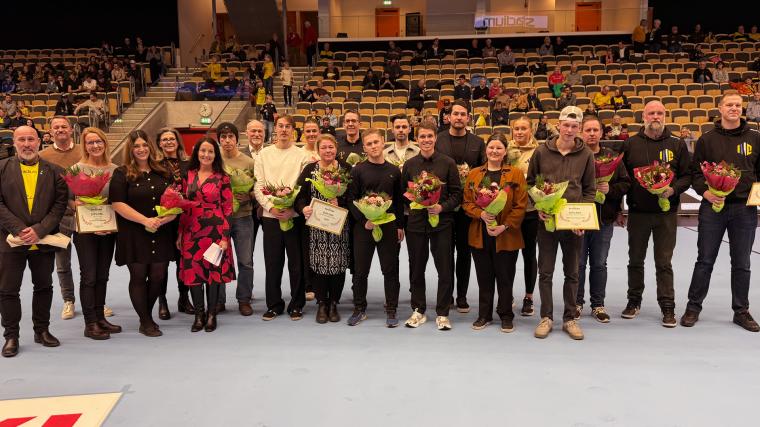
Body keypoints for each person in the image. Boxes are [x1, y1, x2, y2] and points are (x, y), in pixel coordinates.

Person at [681, 91, 760, 332]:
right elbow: (696, 173)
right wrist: (705, 192)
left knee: (742, 262)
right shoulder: (706, 139)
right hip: (712, 209)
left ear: (742, 109)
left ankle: (741, 311)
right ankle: (693, 307)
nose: (734, 108)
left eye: (738, 105)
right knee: (704, 260)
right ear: (720, 108)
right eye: (729, 105)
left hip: (744, 209)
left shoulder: (756, 138)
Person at [527, 106, 596, 340]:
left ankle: (569, 319)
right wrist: (538, 207)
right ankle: (546, 317)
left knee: (572, 272)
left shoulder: (586, 154)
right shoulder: (540, 151)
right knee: (545, 271)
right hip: (547, 222)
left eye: (574, 126)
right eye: (566, 125)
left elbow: (589, 189)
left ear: (579, 128)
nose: (569, 130)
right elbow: (530, 184)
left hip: (573, 223)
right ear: (558, 125)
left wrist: (583, 218)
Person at [621, 101, 691, 327]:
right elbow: (624, 179)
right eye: (651, 113)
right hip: (638, 213)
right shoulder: (630, 144)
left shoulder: (677, 144)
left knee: (664, 262)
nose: (655, 116)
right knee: (635, 261)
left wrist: (672, 189)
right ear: (644, 116)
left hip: (666, 214)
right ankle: (633, 301)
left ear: (665, 116)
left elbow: (687, 176)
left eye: (659, 113)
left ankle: (668, 306)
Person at [0, 126, 68, 358]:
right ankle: (11, 335)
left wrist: (39, 230)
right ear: (15, 142)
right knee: (8, 290)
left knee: (44, 286)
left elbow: (59, 206)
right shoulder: (1, 168)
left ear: (39, 142)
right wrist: (20, 229)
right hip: (10, 241)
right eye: (22, 139)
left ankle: (42, 330)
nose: (27, 144)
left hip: (43, 240)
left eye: (31, 139)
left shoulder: (55, 171)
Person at [110, 130, 177, 337]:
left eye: (144, 145)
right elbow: (118, 203)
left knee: (158, 275)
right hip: (134, 231)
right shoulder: (121, 173)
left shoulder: (163, 171)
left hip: (161, 230)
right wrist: (145, 220)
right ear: (130, 149)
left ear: (150, 146)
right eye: (136, 146)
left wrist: (169, 216)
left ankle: (145, 314)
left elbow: (174, 201)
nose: (141, 149)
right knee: (139, 276)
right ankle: (146, 320)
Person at [464, 132, 527, 332]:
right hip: (480, 234)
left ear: (505, 151)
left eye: (499, 148)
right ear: (486, 150)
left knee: (505, 276)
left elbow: (520, 205)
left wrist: (504, 226)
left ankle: (506, 314)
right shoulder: (474, 173)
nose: (494, 151)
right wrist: (481, 214)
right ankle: (484, 314)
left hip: (506, 235)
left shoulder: (515, 174)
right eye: (491, 147)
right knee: (484, 277)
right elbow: (466, 202)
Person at [401, 123, 461, 330]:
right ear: (416, 139)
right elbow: (404, 195)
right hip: (416, 224)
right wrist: (416, 204)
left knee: (445, 268)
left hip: (442, 224)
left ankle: (443, 312)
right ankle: (418, 309)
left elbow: (456, 194)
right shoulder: (409, 165)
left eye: (429, 136)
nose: (426, 140)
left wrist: (441, 207)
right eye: (422, 136)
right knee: (416, 268)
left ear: (435, 138)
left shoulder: (448, 163)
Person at [253, 115, 311, 321]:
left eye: (288, 127)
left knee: (296, 264)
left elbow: (304, 188)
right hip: (271, 218)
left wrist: (293, 210)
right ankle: (274, 304)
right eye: (280, 126)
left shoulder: (302, 155)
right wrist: (270, 207)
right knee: (273, 263)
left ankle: (297, 304)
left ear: (293, 130)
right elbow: (258, 185)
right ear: (275, 129)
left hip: (294, 217)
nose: (284, 130)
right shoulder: (263, 155)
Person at [346, 129, 405, 327]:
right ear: (364, 148)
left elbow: (397, 201)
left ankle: (391, 309)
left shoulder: (394, 171)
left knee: (390, 270)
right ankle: (359, 308)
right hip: (364, 228)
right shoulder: (358, 170)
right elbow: (351, 200)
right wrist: (364, 222)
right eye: (369, 144)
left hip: (388, 227)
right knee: (360, 271)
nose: (373, 146)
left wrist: (399, 225)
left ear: (383, 144)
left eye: (376, 142)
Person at [575, 116, 631, 323]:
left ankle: (598, 304)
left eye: (595, 130)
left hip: (604, 219)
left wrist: (610, 189)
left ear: (601, 133)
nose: (591, 134)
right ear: (581, 132)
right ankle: (577, 303)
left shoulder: (612, 156)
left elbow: (626, 183)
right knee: (578, 264)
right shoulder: (574, 156)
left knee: (599, 263)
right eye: (587, 130)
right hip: (578, 218)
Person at [178, 138, 235, 333]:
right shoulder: (188, 174)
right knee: (194, 273)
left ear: (215, 155)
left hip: (215, 231)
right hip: (191, 230)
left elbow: (228, 209)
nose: (206, 155)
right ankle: (198, 315)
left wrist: (225, 237)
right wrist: (180, 234)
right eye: (203, 151)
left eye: (210, 151)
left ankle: (211, 314)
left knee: (213, 274)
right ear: (197, 153)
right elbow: (183, 206)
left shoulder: (223, 177)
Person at [294, 134, 352, 323]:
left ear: (336, 148)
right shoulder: (310, 170)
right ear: (317, 150)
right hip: (316, 227)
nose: (328, 151)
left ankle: (334, 302)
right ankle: (321, 302)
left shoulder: (346, 169)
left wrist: (341, 201)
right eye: (324, 148)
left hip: (339, 226)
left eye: (331, 147)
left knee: (338, 264)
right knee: (319, 264)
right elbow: (299, 195)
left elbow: (354, 196)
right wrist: (303, 208)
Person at [435, 100, 486, 312]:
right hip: (444, 206)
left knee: (465, 253)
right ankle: (447, 296)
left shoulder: (477, 142)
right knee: (445, 253)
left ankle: (462, 296)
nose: (458, 117)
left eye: (462, 114)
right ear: (448, 117)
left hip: (468, 207)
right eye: (455, 113)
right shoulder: (438, 140)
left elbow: (483, 171)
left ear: (468, 118)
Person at [71, 128, 121, 340]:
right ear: (85, 146)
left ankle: (100, 317)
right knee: (89, 276)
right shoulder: (76, 168)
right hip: (85, 231)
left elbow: (118, 199)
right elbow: (66, 200)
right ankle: (90, 323)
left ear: (105, 143)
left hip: (108, 229)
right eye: (90, 143)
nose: (95, 146)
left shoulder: (115, 169)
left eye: (98, 141)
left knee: (103, 275)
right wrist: (77, 204)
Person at [38, 117, 81, 320]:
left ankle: (97, 300)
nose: (60, 129)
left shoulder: (84, 150)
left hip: (85, 216)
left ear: (71, 130)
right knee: (62, 263)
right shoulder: (42, 156)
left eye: (64, 126)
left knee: (90, 262)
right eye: (56, 127)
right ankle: (68, 300)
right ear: (50, 132)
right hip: (59, 218)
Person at [217, 123, 257, 316]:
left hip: (243, 217)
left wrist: (248, 196)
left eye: (230, 136)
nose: (227, 141)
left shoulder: (249, 162)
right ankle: (219, 300)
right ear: (219, 140)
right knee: (219, 259)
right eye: (223, 137)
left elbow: (258, 188)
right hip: (219, 219)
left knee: (245, 261)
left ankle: (244, 299)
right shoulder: (214, 161)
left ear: (237, 139)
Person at [156, 127, 193, 317]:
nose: (169, 142)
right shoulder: (154, 165)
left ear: (178, 141)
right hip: (163, 218)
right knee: (162, 262)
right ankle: (162, 301)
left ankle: (183, 298)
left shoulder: (188, 164)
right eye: (165, 139)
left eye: (172, 139)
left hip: (184, 219)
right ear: (159, 144)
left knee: (182, 262)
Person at [508, 116, 540, 316]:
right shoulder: (504, 149)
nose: (519, 132)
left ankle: (528, 297)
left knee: (529, 255)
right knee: (508, 256)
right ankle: (507, 294)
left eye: (523, 129)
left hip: (530, 212)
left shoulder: (539, 152)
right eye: (516, 129)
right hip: (509, 213)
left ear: (531, 130)